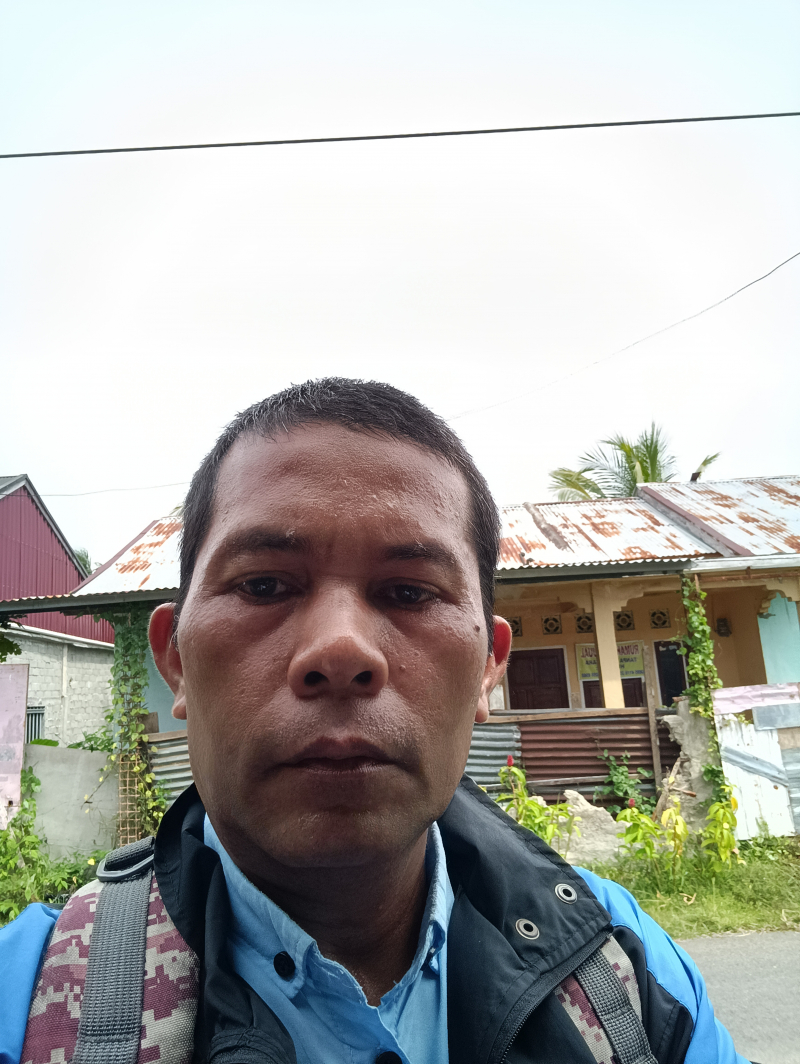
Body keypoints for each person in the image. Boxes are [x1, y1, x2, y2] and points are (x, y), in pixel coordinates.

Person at [1, 379, 749, 1064]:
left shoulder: (618, 969)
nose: (340, 650)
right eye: (264, 585)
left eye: (409, 592)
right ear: (176, 660)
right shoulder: (32, 997)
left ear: (488, 667)